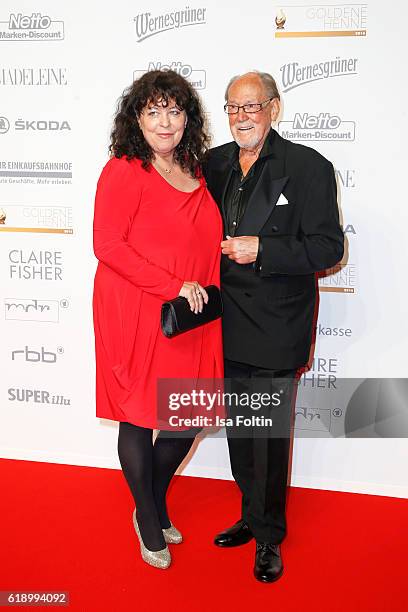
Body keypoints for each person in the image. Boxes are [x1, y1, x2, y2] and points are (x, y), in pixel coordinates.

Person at [203, 71, 344, 583]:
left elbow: (329, 247)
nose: (241, 117)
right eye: (232, 107)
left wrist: (263, 249)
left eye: (251, 106)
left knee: (268, 434)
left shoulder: (307, 167)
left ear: (274, 109)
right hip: (225, 323)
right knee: (241, 431)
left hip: (277, 325)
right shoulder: (214, 162)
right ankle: (250, 513)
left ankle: (269, 538)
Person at [92, 70, 223, 569]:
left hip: (194, 312)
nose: (164, 122)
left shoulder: (195, 166)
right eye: (153, 112)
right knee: (140, 413)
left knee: (185, 416)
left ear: (187, 118)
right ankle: (149, 517)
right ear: (136, 119)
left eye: (174, 111)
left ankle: (149, 498)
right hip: (140, 308)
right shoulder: (125, 168)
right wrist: (172, 285)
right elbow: (107, 244)